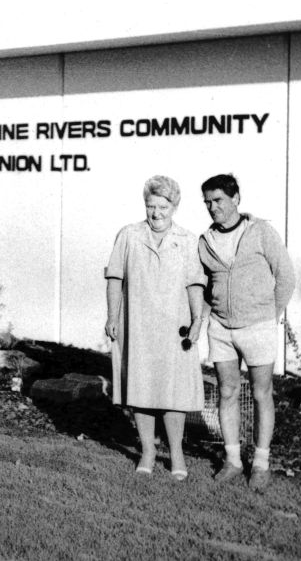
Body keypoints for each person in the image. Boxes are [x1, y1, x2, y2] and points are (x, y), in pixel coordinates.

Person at [104, 175, 206, 481]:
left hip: (175, 326)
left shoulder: (187, 240)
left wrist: (197, 318)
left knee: (173, 392)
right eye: (151, 206)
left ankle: (176, 454)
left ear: (174, 206)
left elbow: (194, 283)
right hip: (136, 324)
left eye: (163, 206)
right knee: (141, 387)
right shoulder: (129, 235)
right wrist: (112, 316)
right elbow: (114, 278)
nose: (156, 212)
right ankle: (147, 451)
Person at [198, 173, 295, 491]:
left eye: (219, 201)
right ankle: (233, 461)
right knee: (227, 392)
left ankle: (261, 464)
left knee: (261, 393)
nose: (214, 208)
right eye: (208, 202)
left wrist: (269, 316)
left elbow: (286, 277)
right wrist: (203, 321)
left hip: (258, 327)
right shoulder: (205, 241)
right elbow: (204, 287)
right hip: (221, 329)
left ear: (236, 198)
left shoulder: (261, 232)